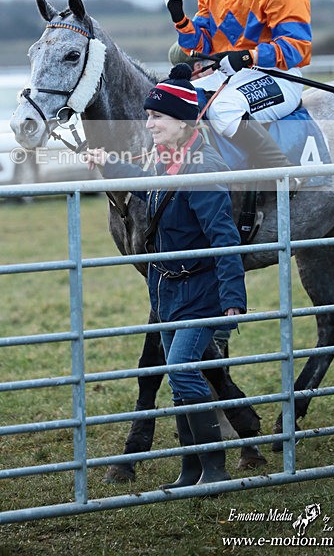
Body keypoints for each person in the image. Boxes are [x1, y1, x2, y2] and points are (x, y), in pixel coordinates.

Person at [84, 64, 246, 490]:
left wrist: (232, 298)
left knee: (180, 369)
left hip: (200, 290)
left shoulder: (203, 169)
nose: (149, 123)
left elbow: (225, 238)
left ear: (183, 122)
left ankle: (215, 468)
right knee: (179, 377)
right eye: (149, 116)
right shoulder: (165, 161)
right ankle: (191, 469)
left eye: (157, 117)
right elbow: (143, 184)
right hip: (168, 291)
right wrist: (107, 163)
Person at [166, 0, 312, 186]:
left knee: (224, 109)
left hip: (278, 76)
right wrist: (180, 19)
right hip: (231, 75)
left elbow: (298, 48)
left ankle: (284, 176)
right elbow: (202, 44)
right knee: (174, 98)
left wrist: (247, 57)